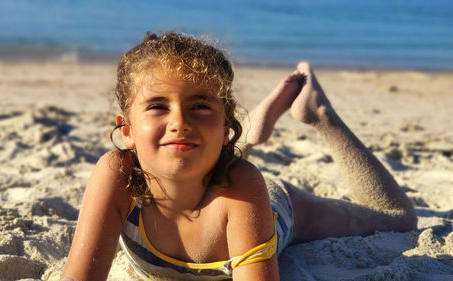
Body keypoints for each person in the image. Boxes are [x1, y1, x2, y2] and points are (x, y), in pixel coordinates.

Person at [60, 32, 417, 281]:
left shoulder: (243, 185)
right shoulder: (117, 173)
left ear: (226, 125)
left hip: (274, 208)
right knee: (195, 150)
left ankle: (321, 115)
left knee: (397, 219)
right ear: (127, 131)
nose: (180, 122)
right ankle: (254, 125)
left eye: (201, 105)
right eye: (157, 106)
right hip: (215, 160)